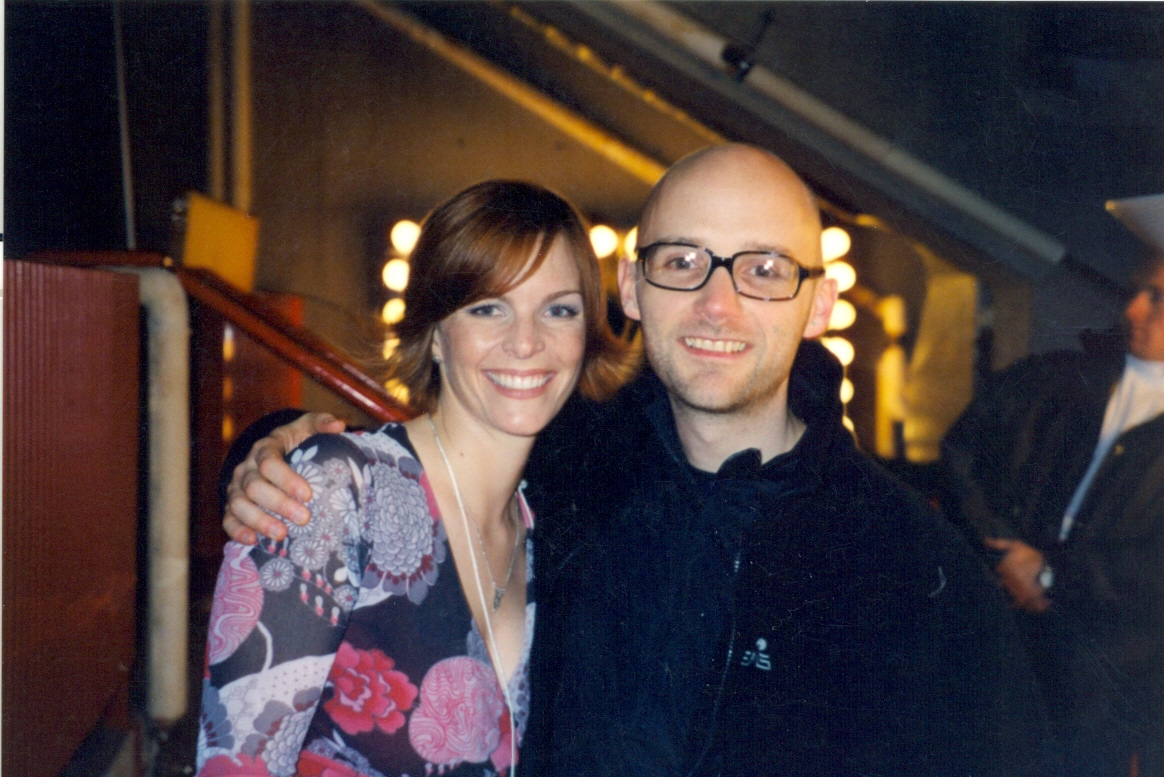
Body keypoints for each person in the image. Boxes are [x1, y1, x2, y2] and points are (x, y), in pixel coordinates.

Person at [222, 145, 1054, 775]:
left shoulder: (911, 565)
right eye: (683, 261)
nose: (717, 302)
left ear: (818, 304)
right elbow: (413, 466)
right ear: (631, 286)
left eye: (763, 269)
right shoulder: (564, 473)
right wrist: (274, 446)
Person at [196, 180, 633, 777]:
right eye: (487, 307)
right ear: (433, 334)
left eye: (559, 309)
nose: (527, 341)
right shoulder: (341, 488)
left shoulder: (545, 532)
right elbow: (236, 762)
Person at [942, 251, 1164, 776]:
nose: (1133, 309)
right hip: (999, 633)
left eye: (1157, 297)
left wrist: (1051, 572)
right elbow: (963, 453)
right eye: (1135, 291)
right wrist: (1001, 550)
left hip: (1107, 674)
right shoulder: (1055, 378)